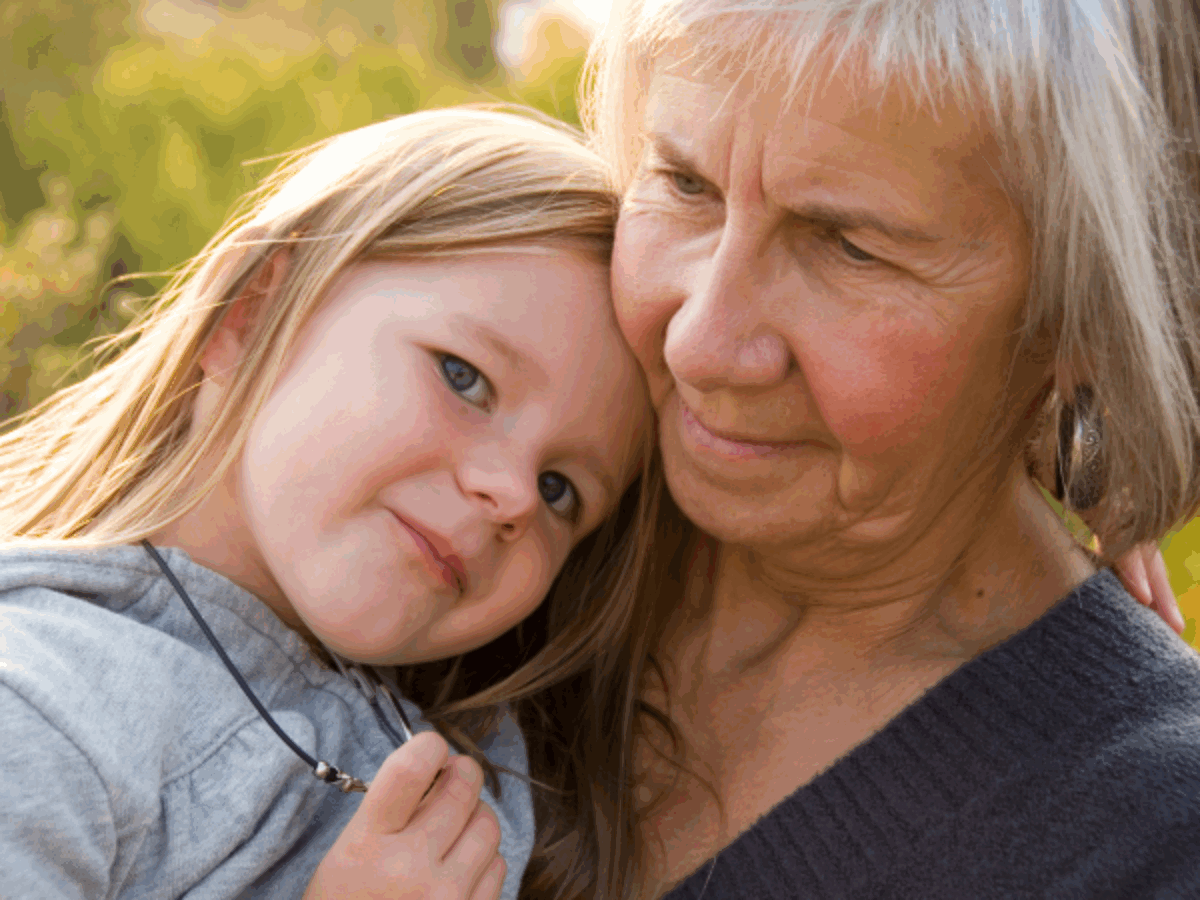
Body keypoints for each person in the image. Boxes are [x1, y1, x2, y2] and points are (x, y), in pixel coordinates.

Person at [535, 0, 1200, 896]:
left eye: (849, 248)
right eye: (686, 185)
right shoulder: (500, 501)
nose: (700, 344)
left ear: (1086, 313)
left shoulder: (1153, 842)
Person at [0, 107, 655, 899]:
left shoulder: (507, 764)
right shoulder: (39, 700)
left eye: (561, 490)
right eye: (464, 377)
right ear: (251, 312)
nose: (514, 494)